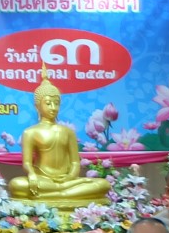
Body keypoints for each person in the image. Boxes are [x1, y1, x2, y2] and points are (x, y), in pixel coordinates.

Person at [7, 76, 109, 206]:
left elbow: (75, 162)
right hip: (43, 179)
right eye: (48, 103)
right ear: (38, 106)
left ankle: (56, 194)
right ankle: (63, 193)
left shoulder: (68, 132)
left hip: (67, 181)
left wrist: (70, 177)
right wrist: (32, 175)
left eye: (56, 103)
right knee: (16, 184)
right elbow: (27, 163)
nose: (53, 107)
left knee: (103, 184)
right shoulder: (30, 132)